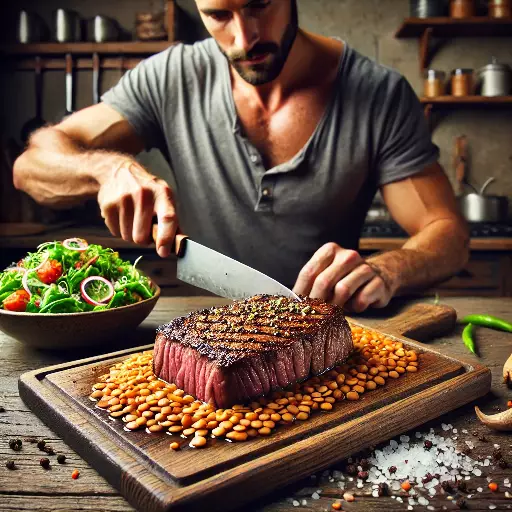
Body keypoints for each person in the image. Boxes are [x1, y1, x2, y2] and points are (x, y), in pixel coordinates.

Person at [13, 0, 469, 312]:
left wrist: (389, 269)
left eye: (258, 4)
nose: (244, 38)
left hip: (326, 335)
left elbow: (447, 234)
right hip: (202, 336)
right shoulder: (170, 78)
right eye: (218, 14)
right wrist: (107, 168)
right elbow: (30, 166)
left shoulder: (379, 95)